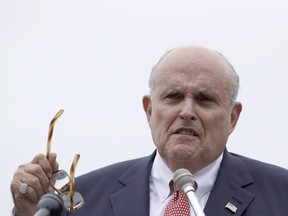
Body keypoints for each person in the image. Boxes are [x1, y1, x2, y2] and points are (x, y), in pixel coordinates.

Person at [10, 45, 288, 216]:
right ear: (149, 110)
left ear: (232, 118)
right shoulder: (78, 200)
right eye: (173, 96)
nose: (187, 111)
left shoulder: (281, 195)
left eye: (204, 99)